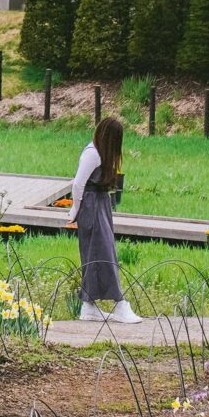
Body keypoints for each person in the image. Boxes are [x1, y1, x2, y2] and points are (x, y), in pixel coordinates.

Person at [68, 114, 141, 324]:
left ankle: (89, 305)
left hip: (100, 203)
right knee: (102, 252)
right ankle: (119, 303)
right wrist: (75, 209)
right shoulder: (93, 155)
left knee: (100, 252)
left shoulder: (98, 152)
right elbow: (77, 184)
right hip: (91, 205)